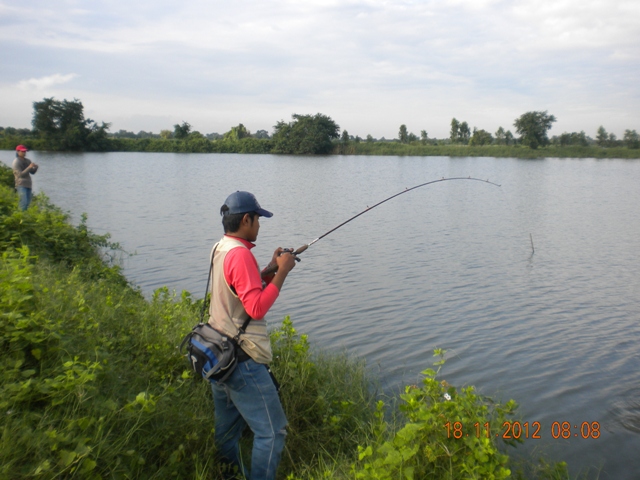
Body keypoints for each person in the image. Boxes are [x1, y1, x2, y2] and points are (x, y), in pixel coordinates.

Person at [208, 190, 296, 480]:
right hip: (242, 361)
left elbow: (241, 289)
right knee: (272, 432)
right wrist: (282, 273)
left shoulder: (222, 247)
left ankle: (227, 475)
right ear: (246, 219)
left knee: (228, 433)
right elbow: (256, 307)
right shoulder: (241, 255)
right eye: (258, 218)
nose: (259, 224)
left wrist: (270, 269)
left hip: (218, 355)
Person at [12, 145, 38, 211]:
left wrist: (35, 167)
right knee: (23, 203)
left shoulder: (27, 161)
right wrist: (29, 167)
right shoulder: (16, 162)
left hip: (28, 184)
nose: (24, 153)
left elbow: (32, 172)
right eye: (22, 151)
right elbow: (20, 175)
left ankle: (25, 218)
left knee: (27, 203)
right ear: (18, 152)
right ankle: (20, 218)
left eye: (25, 151)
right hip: (21, 184)